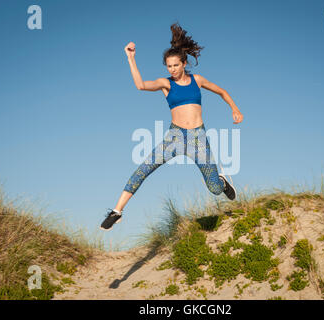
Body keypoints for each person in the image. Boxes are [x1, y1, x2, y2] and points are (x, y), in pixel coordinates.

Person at [100, 23, 243, 231]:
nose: (172, 70)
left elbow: (222, 91)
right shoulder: (166, 84)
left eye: (175, 65)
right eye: (169, 66)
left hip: (198, 138)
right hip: (174, 137)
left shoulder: (198, 79)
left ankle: (221, 182)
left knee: (213, 189)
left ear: (184, 63)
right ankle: (117, 211)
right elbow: (141, 85)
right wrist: (131, 58)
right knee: (143, 170)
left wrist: (235, 109)